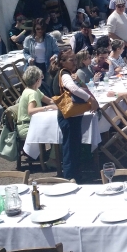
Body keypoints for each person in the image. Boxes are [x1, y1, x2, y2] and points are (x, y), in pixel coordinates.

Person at [54, 49, 99, 181]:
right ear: (62, 62)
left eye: (75, 59)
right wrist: (90, 100)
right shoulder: (64, 74)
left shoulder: (70, 74)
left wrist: (79, 81)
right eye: (71, 60)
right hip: (68, 117)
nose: (74, 62)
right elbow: (73, 89)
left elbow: (81, 87)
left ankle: (76, 175)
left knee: (74, 146)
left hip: (73, 116)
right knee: (70, 147)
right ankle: (69, 177)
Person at [16, 66, 57, 139]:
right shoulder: (32, 93)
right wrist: (48, 107)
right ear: (37, 80)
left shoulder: (34, 90)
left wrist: (62, 103)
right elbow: (31, 111)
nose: (42, 79)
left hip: (30, 124)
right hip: (27, 127)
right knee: (54, 131)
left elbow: (50, 101)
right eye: (41, 77)